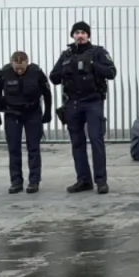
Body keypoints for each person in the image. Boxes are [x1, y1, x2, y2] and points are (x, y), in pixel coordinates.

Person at [49, 21, 117, 194]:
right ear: (72, 35)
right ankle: (83, 180)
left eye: (83, 32)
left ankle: (101, 181)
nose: (80, 35)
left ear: (88, 35)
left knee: (96, 139)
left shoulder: (98, 52)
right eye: (77, 32)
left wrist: (93, 65)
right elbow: (53, 77)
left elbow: (111, 72)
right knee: (77, 143)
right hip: (72, 103)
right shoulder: (66, 54)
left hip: (93, 102)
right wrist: (67, 68)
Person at [0, 51, 53, 194]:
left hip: (32, 113)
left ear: (27, 63)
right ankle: (16, 181)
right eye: (16, 67)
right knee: (14, 149)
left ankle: (34, 181)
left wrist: (48, 113)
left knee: (34, 148)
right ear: (11, 63)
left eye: (22, 68)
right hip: (12, 115)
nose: (19, 70)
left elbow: (47, 93)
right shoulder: (4, 73)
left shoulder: (36, 72)